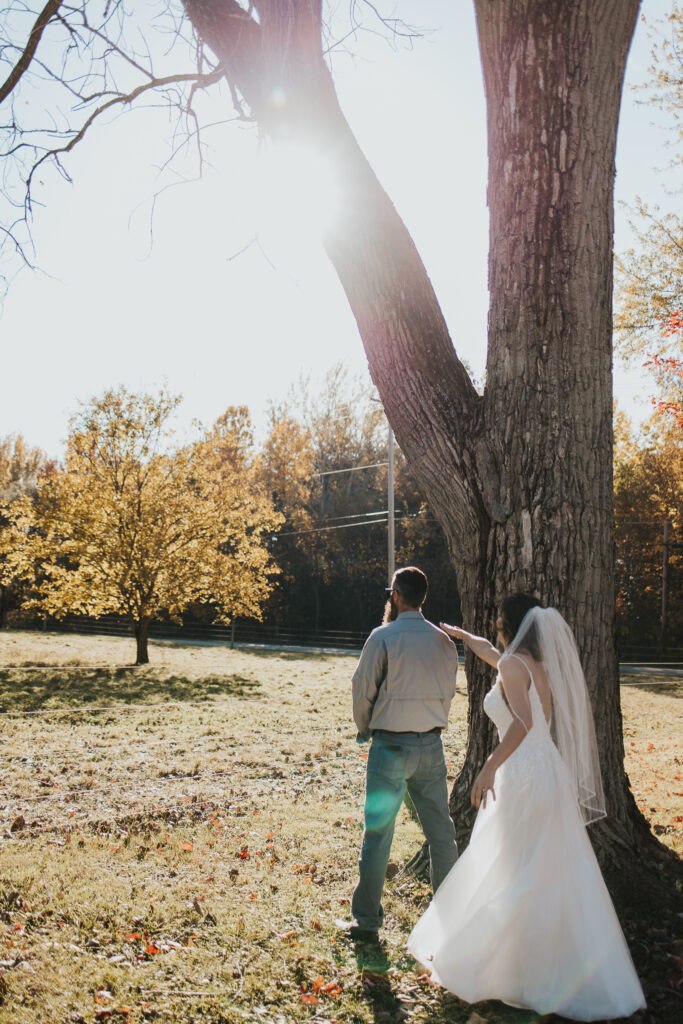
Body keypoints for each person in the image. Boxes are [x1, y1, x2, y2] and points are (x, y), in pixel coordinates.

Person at [407, 593, 646, 1021]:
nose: (495, 622)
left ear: (511, 623)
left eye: (498, 617)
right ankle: (541, 967)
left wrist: (487, 768)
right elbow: (491, 654)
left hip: (523, 773)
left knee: (515, 866)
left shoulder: (514, 666)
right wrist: (462, 636)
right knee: (544, 868)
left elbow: (523, 723)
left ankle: (515, 970)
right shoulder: (531, 663)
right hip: (545, 771)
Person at [343, 566, 460, 941]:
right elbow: (448, 691)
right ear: (422, 596)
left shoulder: (384, 636)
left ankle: (366, 922)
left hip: (390, 745)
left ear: (396, 595)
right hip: (431, 745)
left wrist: (365, 727)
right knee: (442, 834)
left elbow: (362, 689)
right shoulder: (444, 642)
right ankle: (449, 916)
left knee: (379, 834)